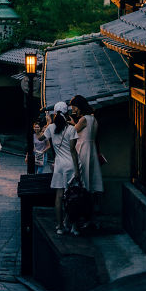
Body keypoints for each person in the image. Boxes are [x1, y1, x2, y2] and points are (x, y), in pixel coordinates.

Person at [69, 95, 103, 227]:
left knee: (83, 182)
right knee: (92, 182)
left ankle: (80, 217)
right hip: (92, 149)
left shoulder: (83, 119)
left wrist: (72, 124)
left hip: (83, 150)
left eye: (74, 107)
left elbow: (72, 132)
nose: (74, 110)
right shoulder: (93, 119)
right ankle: (92, 218)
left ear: (79, 106)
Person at [42, 102, 76, 232]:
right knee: (73, 196)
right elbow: (73, 151)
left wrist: (47, 123)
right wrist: (77, 171)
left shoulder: (51, 128)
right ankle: (73, 225)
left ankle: (60, 226)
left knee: (59, 196)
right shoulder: (71, 129)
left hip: (59, 165)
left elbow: (40, 138)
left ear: (55, 113)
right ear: (67, 113)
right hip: (71, 165)